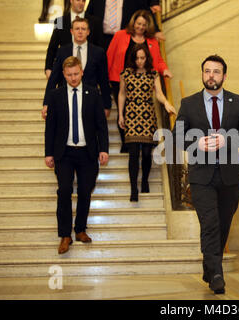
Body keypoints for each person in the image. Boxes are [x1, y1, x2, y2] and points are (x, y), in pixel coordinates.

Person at [172, 55, 239, 294]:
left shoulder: (238, 102)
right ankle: (217, 274)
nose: (211, 75)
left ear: (224, 76)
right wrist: (197, 142)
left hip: (230, 175)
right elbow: (178, 136)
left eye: (216, 72)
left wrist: (227, 138)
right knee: (210, 223)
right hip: (201, 176)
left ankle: (209, 265)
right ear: (202, 74)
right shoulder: (189, 103)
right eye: (207, 71)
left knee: (224, 223)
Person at [44, 56, 109, 255]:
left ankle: (80, 229)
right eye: (69, 75)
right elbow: (50, 127)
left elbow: (101, 125)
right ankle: (65, 235)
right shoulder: (56, 96)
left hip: (87, 152)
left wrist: (103, 149)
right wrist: (48, 153)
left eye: (76, 74)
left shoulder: (93, 93)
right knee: (64, 191)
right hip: (64, 153)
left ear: (81, 72)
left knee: (84, 191)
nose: (73, 78)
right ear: (64, 75)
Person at [107, 9, 172, 153]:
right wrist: (104, 77)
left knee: (144, 111)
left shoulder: (152, 41)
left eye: (144, 24)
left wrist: (165, 70)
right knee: (123, 110)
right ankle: (127, 141)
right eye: (138, 23)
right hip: (121, 80)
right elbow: (109, 56)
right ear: (133, 23)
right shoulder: (120, 35)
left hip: (144, 82)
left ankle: (144, 140)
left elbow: (158, 60)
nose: (141, 27)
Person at [118, 43, 175, 201]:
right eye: (137, 58)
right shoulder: (126, 73)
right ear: (133, 58)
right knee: (134, 154)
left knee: (147, 153)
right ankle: (133, 189)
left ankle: (144, 181)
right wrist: (121, 115)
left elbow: (159, 94)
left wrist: (166, 103)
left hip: (147, 115)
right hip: (131, 114)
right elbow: (122, 94)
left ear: (147, 58)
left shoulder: (153, 74)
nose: (140, 61)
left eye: (142, 58)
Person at [42, 17, 111, 120]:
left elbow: (103, 80)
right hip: (66, 99)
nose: (80, 32)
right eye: (77, 28)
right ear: (71, 31)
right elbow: (53, 79)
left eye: (83, 29)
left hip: (90, 101)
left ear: (88, 32)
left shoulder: (98, 52)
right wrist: (46, 103)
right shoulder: (62, 51)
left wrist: (107, 105)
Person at [45, 0, 104, 80]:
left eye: (83, 1)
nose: (81, 3)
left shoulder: (95, 22)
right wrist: (48, 69)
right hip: (65, 74)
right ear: (71, 1)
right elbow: (52, 47)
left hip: (89, 74)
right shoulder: (59, 21)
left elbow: (100, 47)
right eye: (78, 0)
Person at [86, 0, 164, 50]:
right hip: (101, 40)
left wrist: (156, 31)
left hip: (123, 40)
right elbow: (88, 16)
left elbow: (145, 11)